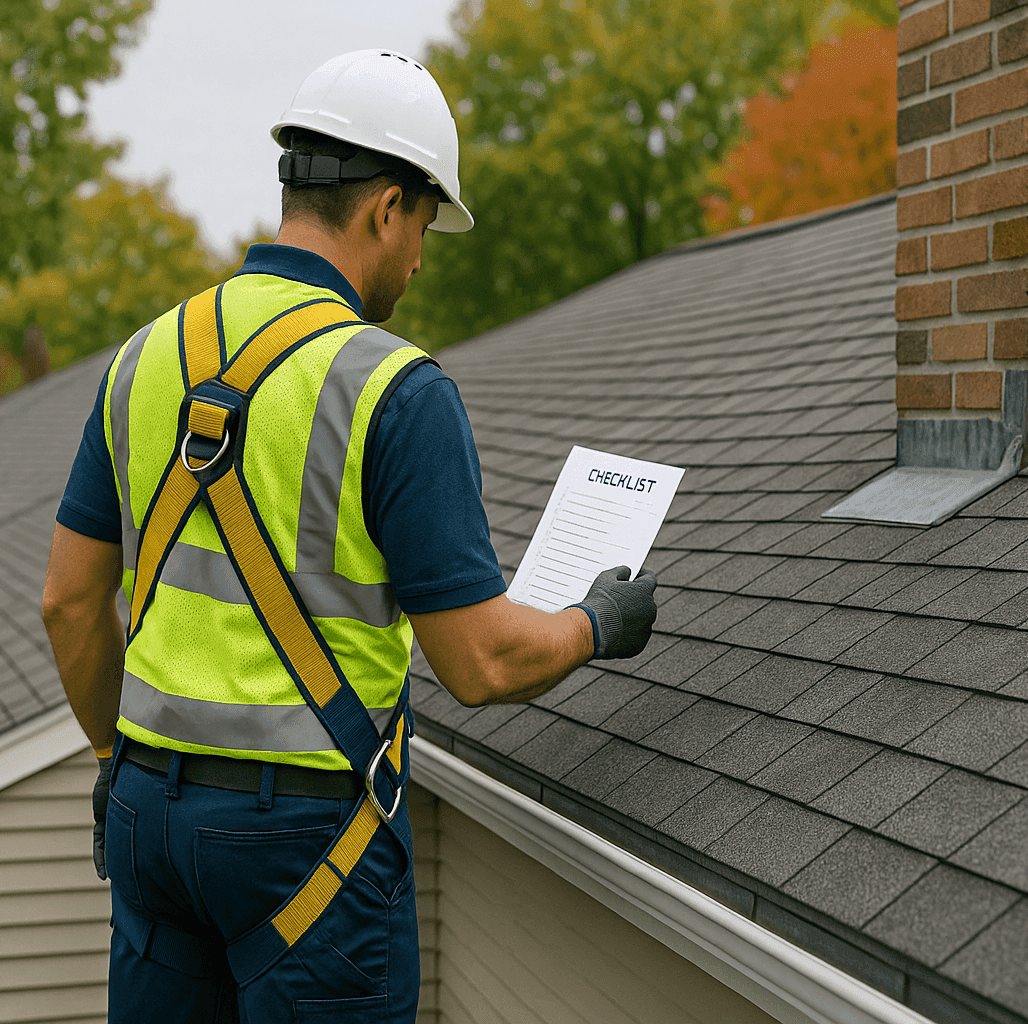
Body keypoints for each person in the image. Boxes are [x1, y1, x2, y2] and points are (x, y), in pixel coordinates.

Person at [41, 49, 659, 1023]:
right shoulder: (394, 389)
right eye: (424, 227)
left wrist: (119, 762)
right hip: (304, 851)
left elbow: (69, 603)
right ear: (386, 209)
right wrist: (599, 619)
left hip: (146, 816)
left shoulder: (142, 359)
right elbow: (482, 662)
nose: (419, 259)